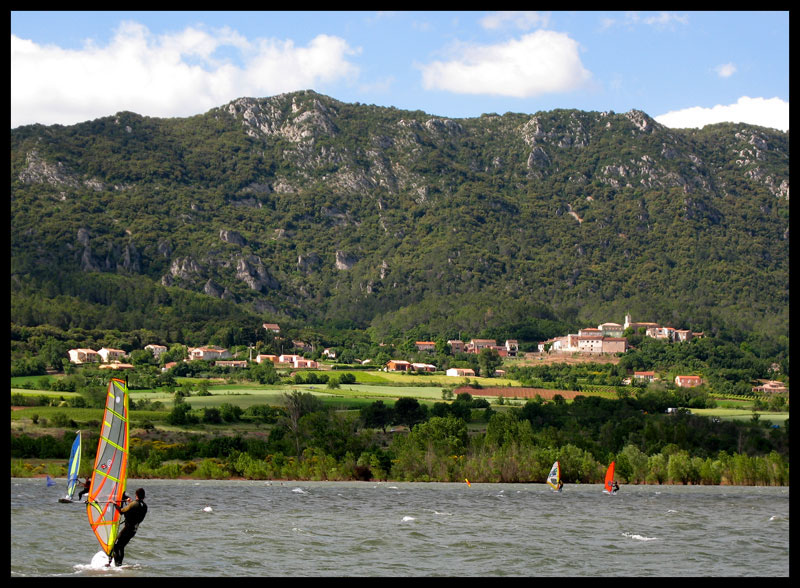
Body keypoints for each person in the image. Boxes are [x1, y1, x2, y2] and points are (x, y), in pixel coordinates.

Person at [109, 488, 147, 567]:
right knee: (121, 546)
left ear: (136, 495)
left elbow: (121, 511)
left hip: (127, 529)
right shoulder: (144, 506)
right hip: (133, 530)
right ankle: (119, 565)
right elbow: (134, 511)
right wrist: (130, 502)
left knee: (116, 546)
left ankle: (117, 566)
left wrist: (114, 503)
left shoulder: (134, 504)